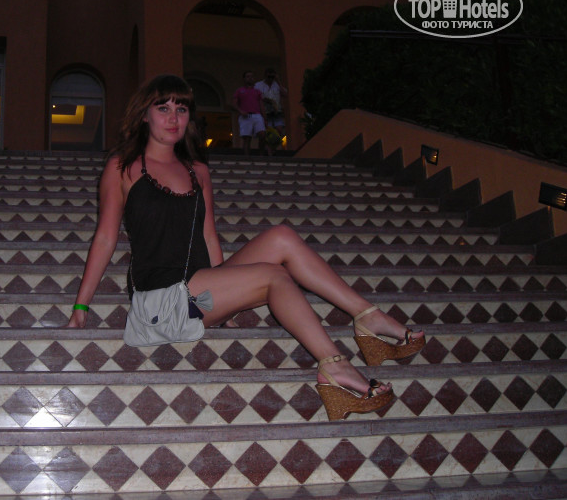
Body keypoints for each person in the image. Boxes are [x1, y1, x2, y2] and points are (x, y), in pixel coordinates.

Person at [67, 74, 425, 420]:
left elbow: (209, 236)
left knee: (282, 236)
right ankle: (334, 365)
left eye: (181, 109)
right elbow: (106, 237)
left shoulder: (197, 171)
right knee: (273, 276)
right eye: (163, 108)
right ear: (144, 114)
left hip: (197, 291)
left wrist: (229, 298)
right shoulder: (123, 168)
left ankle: (367, 315)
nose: (173, 118)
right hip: (160, 302)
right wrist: (81, 305)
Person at [232, 71, 267, 157]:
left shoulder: (257, 91)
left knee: (262, 135)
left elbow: (261, 105)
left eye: (251, 76)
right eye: (248, 76)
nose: (250, 78)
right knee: (247, 138)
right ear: (244, 79)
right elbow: (234, 104)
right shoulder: (239, 91)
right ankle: (247, 157)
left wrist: (265, 118)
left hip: (257, 115)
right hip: (245, 116)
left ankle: (261, 155)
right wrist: (241, 111)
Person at [255, 67, 288, 149]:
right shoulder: (258, 85)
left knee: (279, 130)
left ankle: (273, 149)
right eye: (269, 77)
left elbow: (285, 94)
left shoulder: (276, 85)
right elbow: (255, 97)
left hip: (276, 111)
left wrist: (278, 81)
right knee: (266, 132)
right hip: (265, 112)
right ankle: (265, 150)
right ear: (265, 76)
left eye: (272, 77)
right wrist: (265, 100)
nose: (270, 79)